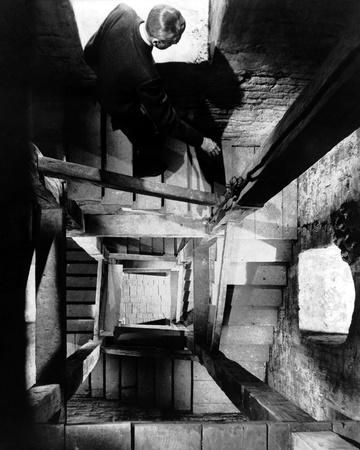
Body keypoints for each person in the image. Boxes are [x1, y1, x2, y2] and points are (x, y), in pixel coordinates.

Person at [84, 3, 221, 176]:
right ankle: (146, 166)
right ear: (157, 42)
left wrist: (108, 73)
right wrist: (202, 141)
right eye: (172, 41)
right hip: (121, 106)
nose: (175, 43)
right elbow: (167, 122)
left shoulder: (123, 12)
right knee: (145, 135)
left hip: (102, 85)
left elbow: (89, 52)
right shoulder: (146, 74)